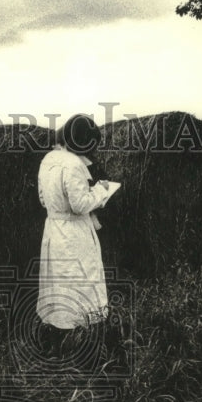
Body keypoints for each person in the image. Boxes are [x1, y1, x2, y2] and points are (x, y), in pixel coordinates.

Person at [36, 114, 115, 348]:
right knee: (81, 277)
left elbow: (43, 199)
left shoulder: (48, 159)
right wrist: (101, 192)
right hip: (74, 232)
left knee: (59, 278)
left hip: (54, 227)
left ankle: (58, 330)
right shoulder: (73, 165)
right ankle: (82, 333)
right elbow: (80, 205)